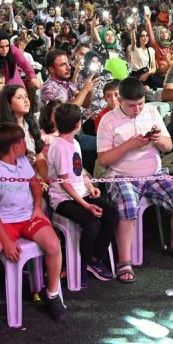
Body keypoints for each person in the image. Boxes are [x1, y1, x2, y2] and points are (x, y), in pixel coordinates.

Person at [97, 77, 173, 283]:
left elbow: (168, 147)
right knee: (128, 205)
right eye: (132, 105)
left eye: (140, 103)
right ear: (121, 100)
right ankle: (124, 259)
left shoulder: (151, 111)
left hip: (154, 172)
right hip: (121, 175)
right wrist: (129, 145)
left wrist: (158, 139)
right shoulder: (108, 119)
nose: (137, 109)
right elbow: (104, 159)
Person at [0, 122, 66, 325]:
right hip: (5, 223)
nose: (25, 144)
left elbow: (36, 187)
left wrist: (38, 208)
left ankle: (52, 293)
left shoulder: (23, 163)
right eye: (23, 141)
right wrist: (6, 242)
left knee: (54, 245)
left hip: (28, 217)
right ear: (15, 146)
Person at [46, 103, 119, 282]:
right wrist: (86, 205)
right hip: (62, 199)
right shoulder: (60, 147)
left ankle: (95, 259)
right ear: (78, 124)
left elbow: (79, 171)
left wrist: (90, 187)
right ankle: (81, 265)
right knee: (92, 224)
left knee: (112, 215)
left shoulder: (75, 143)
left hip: (80, 193)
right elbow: (65, 183)